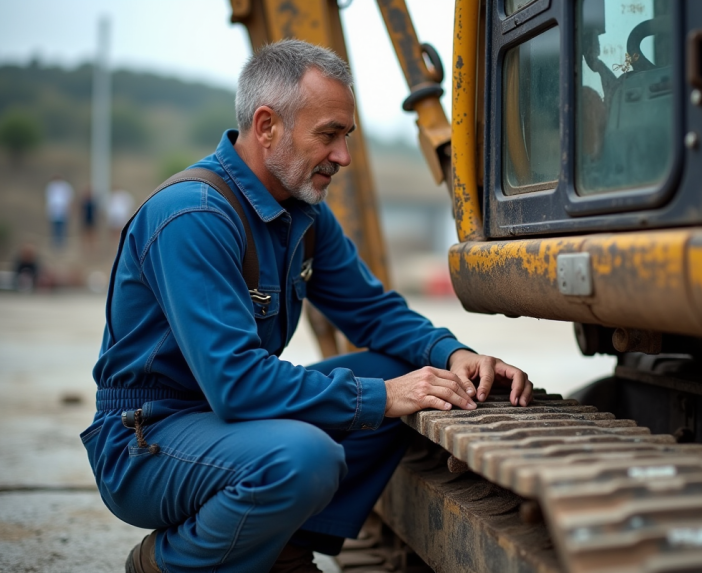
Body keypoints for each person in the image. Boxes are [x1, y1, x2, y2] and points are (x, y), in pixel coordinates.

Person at [82, 40, 533, 573]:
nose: (342, 156)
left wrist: (452, 353)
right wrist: (381, 397)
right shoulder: (193, 216)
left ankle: (284, 547)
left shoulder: (303, 214)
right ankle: (169, 562)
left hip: (225, 422)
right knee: (305, 457)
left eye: (346, 137)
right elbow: (237, 384)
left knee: (413, 372)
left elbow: (372, 310)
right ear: (267, 125)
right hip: (148, 440)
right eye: (329, 136)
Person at [45, 175, 73, 248]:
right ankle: (55, 243)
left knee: (62, 227)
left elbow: (69, 198)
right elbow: (49, 199)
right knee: (54, 227)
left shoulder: (66, 186)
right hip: (54, 210)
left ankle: (62, 243)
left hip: (63, 210)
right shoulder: (51, 186)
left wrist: (68, 208)